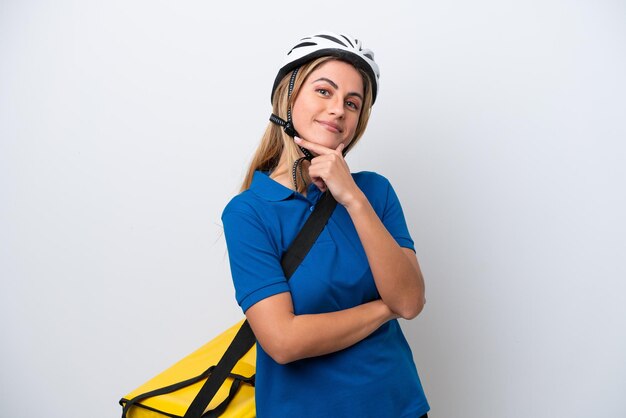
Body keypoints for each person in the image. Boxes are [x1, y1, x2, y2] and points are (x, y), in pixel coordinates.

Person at [222, 31, 430, 417]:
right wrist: (385, 309)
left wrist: (351, 196)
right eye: (323, 91)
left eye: (352, 103)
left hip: (398, 406)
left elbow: (411, 301)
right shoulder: (248, 213)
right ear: (287, 99)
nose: (338, 109)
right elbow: (283, 341)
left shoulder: (373, 192)